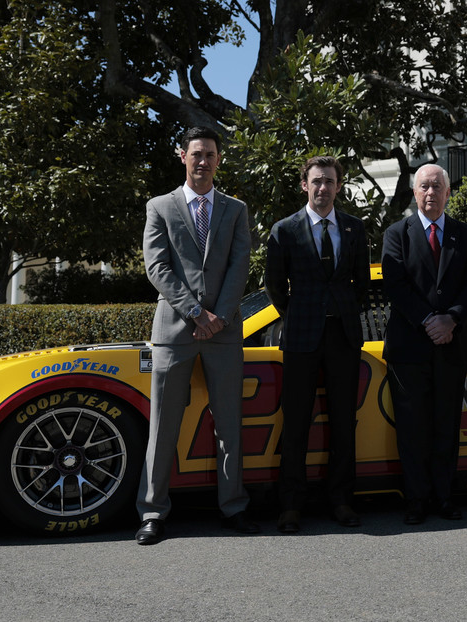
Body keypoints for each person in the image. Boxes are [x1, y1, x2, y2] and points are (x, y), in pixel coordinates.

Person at [136, 126, 257, 544]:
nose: (202, 161)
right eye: (196, 154)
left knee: (230, 424)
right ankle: (153, 513)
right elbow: (157, 268)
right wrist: (194, 312)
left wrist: (219, 316)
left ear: (219, 160)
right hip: (175, 330)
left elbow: (240, 264)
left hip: (224, 332)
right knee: (163, 425)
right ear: (182, 156)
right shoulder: (159, 207)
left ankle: (234, 507)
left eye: (210, 154)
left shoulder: (236, 208)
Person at [265, 155, 369, 534]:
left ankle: (341, 500)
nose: (323, 188)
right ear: (304, 186)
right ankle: (291, 506)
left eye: (329, 181)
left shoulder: (355, 229)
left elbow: (361, 283)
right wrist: (298, 313)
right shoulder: (285, 230)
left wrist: (338, 311)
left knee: (344, 423)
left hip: (343, 337)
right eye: (317, 181)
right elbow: (275, 287)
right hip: (301, 338)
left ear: (339, 186)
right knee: (296, 424)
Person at [381, 164, 467, 525]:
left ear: (448, 192)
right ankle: (417, 499)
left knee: (446, 425)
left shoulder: (465, 235)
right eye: (424, 186)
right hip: (410, 347)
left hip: (451, 345)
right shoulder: (397, 234)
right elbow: (395, 285)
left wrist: (451, 319)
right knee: (412, 428)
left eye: (437, 186)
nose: (430, 193)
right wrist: (429, 320)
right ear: (414, 193)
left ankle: (444, 497)